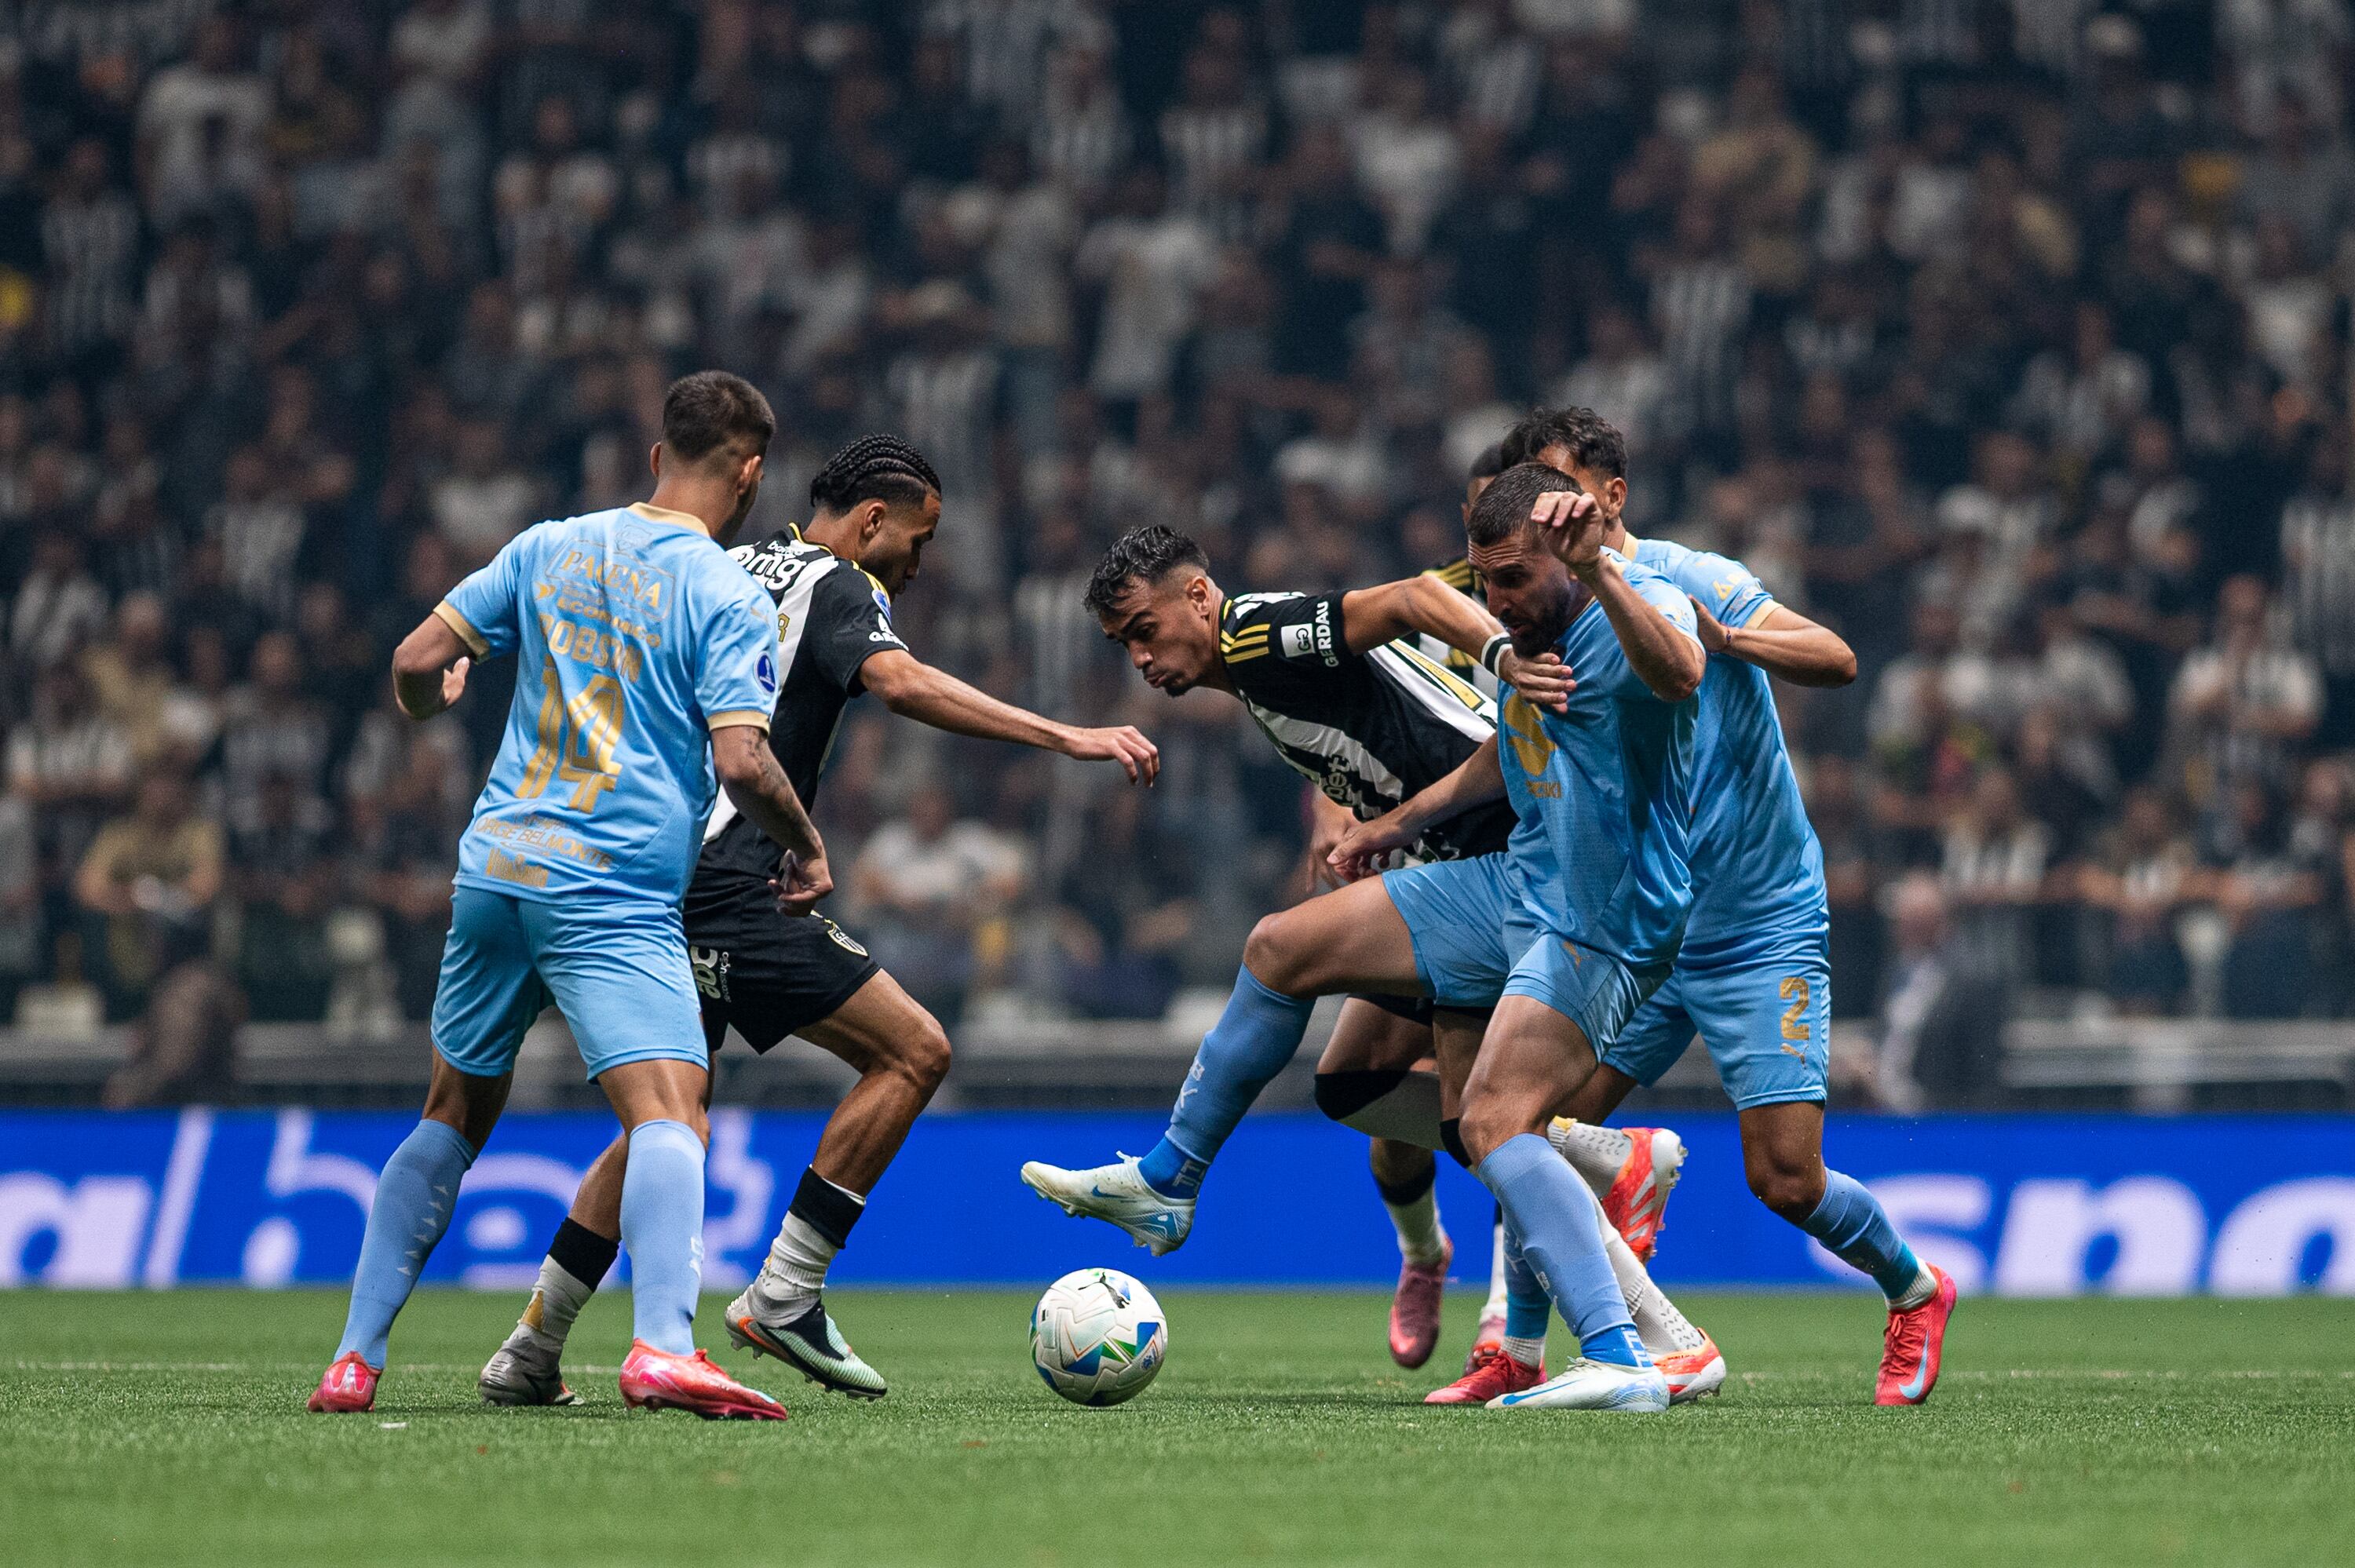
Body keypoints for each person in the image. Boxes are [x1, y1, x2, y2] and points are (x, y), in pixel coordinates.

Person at [479, 436, 1157, 1407]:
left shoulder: (720, 564)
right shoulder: (839, 583)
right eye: (919, 540)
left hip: (643, 872)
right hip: (728, 882)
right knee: (914, 1051)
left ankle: (531, 1347)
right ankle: (786, 1292)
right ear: (874, 521)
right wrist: (1067, 736)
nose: (919, 565)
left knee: (667, 1118)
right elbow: (901, 683)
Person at [1016, 519, 1723, 1402]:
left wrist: (1502, 658)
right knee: (1393, 1095)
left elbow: (1414, 598)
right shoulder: (1259, 668)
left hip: (1505, 851)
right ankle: (1630, 1283)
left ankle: (1174, 1178)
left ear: (1198, 597)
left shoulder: (1254, 634)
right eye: (1124, 645)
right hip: (1465, 851)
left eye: (1145, 632)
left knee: (1333, 995)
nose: (1141, 660)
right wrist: (1368, 816)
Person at [1356, 408, 1955, 1408]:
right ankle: (1521, 1347)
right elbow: (1518, 750)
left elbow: (1836, 657)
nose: (1545, 511)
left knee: (1786, 1179)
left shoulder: (1692, 580)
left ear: (1611, 496)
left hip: (1755, 921)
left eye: (1560, 489)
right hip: (1639, 924)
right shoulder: (1541, 616)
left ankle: (1914, 1287)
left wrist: (1728, 640)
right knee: (1530, 1132)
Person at [309, 371, 823, 1421]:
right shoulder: (728, 593)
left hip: (498, 868)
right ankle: (664, 1347)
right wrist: (806, 846)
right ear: (751, 475)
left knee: (452, 1113)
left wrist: (431, 702)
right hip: (611, 887)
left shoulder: (550, 545)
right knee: (671, 1109)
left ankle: (353, 1361)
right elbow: (743, 762)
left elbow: (415, 660)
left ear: (657, 457)